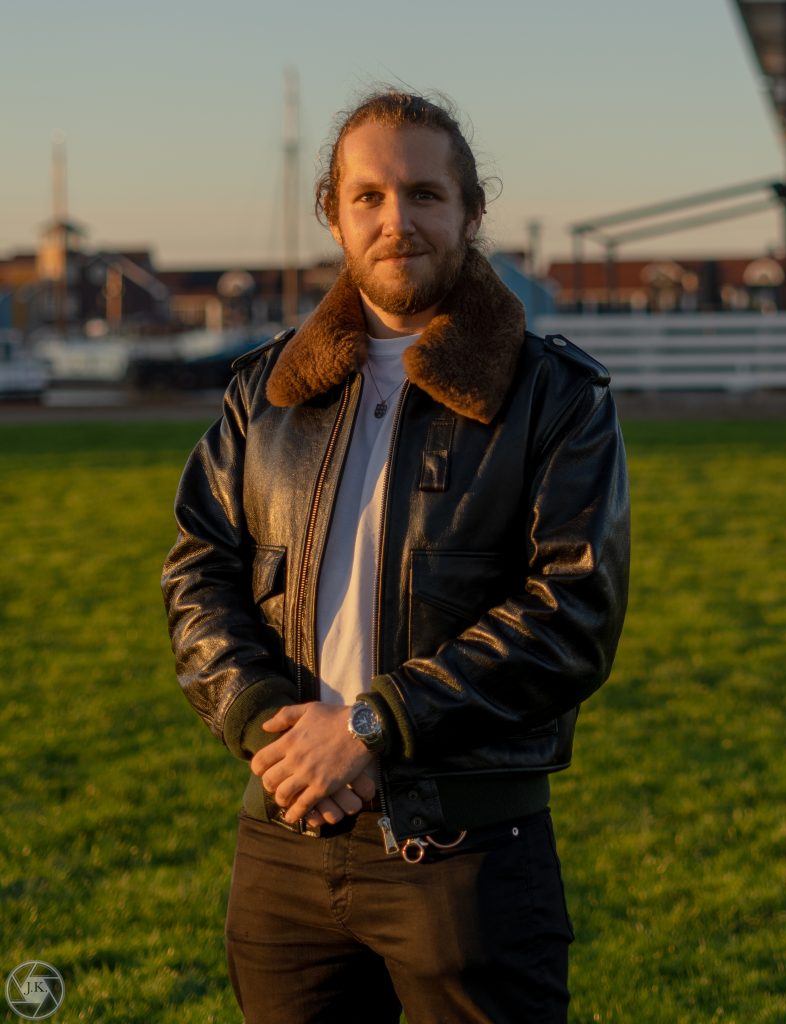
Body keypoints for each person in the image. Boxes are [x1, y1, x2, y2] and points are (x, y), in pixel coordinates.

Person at [161, 89, 630, 1024]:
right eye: (368, 196)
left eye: (423, 194)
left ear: (470, 211)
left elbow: (572, 612)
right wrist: (265, 727)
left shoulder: (554, 396)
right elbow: (198, 572)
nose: (396, 220)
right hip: (286, 844)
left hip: (465, 857)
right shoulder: (265, 392)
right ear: (333, 215)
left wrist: (372, 727)